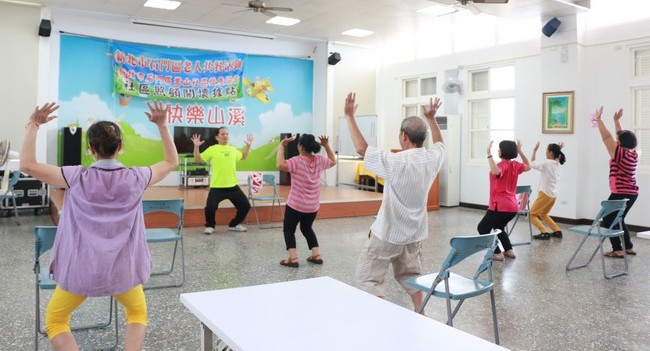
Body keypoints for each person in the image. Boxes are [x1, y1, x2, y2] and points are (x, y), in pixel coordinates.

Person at [20, 101, 178, 350]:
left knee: (56, 320)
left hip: (81, 273)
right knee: (137, 314)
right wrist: (162, 126)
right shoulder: (136, 178)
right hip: (123, 273)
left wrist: (34, 124)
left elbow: (27, 165)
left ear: (90, 149)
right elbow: (171, 162)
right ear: (121, 147)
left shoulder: (76, 177)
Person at [345, 92, 445, 312]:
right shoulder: (432, 158)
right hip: (414, 233)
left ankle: (382, 319)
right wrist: (432, 118)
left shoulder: (395, 161)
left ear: (403, 136)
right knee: (411, 276)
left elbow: (362, 149)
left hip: (387, 233)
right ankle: (422, 313)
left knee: (368, 280)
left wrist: (349, 116)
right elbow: (441, 144)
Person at [275, 134, 336, 267]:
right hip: (312, 206)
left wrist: (281, 147)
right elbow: (333, 160)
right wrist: (326, 145)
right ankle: (316, 254)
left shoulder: (296, 161)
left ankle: (293, 258)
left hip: (296, 205)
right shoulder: (320, 160)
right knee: (307, 228)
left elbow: (280, 165)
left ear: (301, 147)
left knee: (289, 230)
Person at [594, 106, 639, 258]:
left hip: (620, 191)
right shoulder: (632, 153)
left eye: (618, 138)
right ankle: (628, 247)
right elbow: (622, 137)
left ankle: (617, 249)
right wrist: (616, 121)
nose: (616, 138)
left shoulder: (618, 153)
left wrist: (599, 120)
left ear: (620, 142)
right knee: (619, 218)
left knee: (608, 219)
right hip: (632, 193)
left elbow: (606, 137)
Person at [191, 128, 253, 234]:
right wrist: (196, 147)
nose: (225, 135)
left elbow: (243, 156)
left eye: (227, 134)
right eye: (223, 134)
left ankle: (234, 224)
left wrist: (248, 146)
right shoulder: (212, 149)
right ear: (217, 137)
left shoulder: (233, 149)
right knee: (210, 208)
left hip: (233, 186)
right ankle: (210, 226)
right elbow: (197, 160)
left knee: (246, 206)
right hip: (217, 187)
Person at [477, 140, 531, 261]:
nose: (498, 151)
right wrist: (520, 151)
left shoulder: (502, 165)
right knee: (499, 227)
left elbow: (495, 172)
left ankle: (497, 253)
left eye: (499, 149)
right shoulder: (516, 165)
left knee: (482, 228)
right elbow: (528, 166)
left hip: (499, 206)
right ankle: (509, 250)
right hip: (512, 207)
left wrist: (488, 154)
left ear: (502, 151)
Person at [530, 142, 566, 240]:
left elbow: (532, 164)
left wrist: (534, 151)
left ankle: (544, 232)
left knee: (532, 214)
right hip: (553, 195)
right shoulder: (558, 163)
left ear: (550, 152)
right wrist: (559, 149)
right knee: (543, 214)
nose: (545, 152)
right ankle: (557, 231)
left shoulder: (546, 163)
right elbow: (557, 158)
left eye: (547, 150)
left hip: (545, 194)